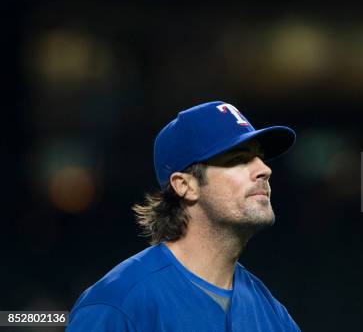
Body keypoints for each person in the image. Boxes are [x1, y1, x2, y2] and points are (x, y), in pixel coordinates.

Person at [67, 101, 300, 331]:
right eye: (238, 159)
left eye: (260, 157)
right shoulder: (118, 304)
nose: (264, 169)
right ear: (184, 186)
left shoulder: (273, 315)